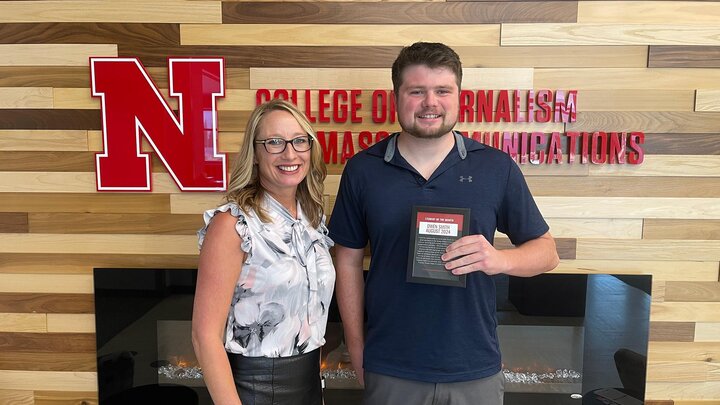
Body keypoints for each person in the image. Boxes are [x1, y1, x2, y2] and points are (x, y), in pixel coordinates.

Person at [328, 42, 560, 405]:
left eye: (442, 91)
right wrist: (356, 347)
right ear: (397, 97)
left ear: (459, 97)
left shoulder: (495, 167)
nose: (429, 102)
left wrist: (499, 260)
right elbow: (347, 261)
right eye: (416, 91)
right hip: (390, 366)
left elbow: (547, 253)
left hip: (474, 368)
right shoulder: (363, 169)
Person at [192, 99, 335, 405]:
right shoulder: (233, 225)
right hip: (255, 391)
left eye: (299, 141)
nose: (290, 153)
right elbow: (205, 338)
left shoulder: (311, 220)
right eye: (274, 142)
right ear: (255, 155)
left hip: (309, 385)